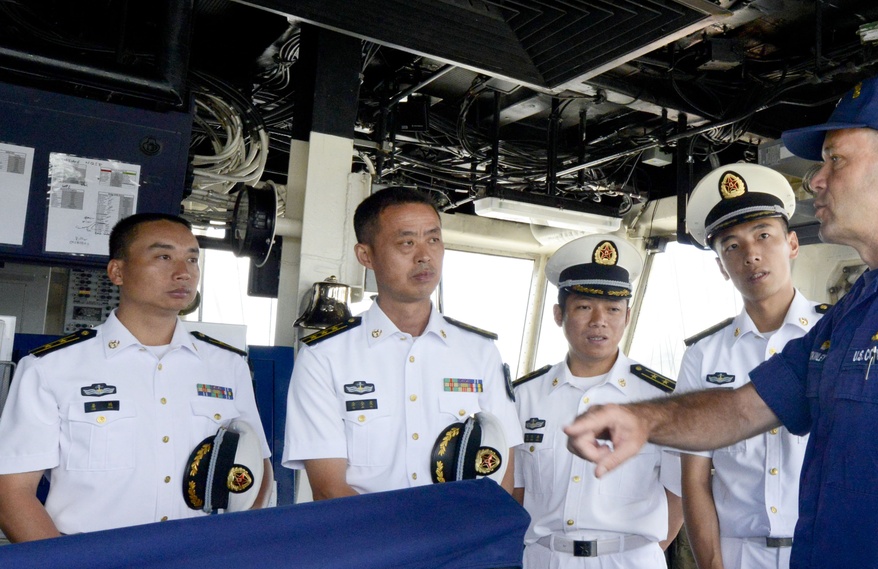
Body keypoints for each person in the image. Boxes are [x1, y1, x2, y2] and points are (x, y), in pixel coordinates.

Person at [564, 72, 878, 569]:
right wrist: (642, 421)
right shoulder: (854, 313)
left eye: (835, 160)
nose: (816, 180)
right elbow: (743, 408)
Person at [0, 213, 273, 542]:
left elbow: (257, 466)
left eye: (192, 259)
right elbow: (11, 493)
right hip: (94, 565)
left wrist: (232, 548)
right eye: (163, 256)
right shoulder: (51, 368)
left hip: (200, 561)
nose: (183, 273)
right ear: (117, 271)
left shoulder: (228, 366)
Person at [283, 187, 520, 497]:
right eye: (407, 242)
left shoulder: (480, 352)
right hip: (373, 543)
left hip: (461, 539)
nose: (424, 255)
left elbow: (502, 467)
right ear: (366, 255)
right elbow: (329, 489)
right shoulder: (323, 358)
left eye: (433, 240)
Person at [512, 234, 682, 569]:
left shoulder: (659, 398)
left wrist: (639, 551)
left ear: (626, 316)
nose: (598, 321)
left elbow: (680, 492)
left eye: (612, 309)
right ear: (559, 314)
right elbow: (513, 490)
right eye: (584, 307)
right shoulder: (523, 397)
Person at [678, 163, 824, 569]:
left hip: (825, 559)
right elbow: (695, 481)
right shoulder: (704, 357)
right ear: (721, 265)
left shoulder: (838, 337)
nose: (750, 254)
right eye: (731, 246)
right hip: (737, 566)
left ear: (792, 244)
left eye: (763, 234)